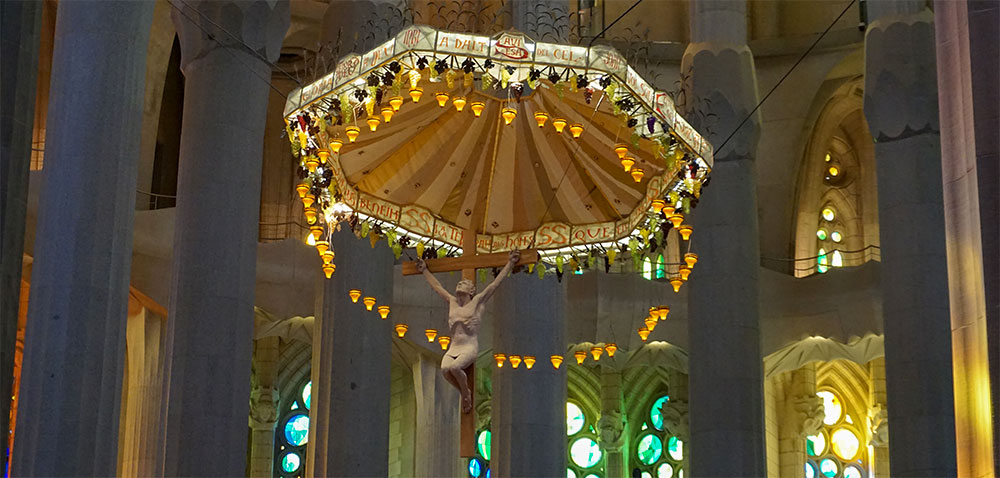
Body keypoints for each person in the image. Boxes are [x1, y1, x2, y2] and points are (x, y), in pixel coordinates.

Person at [415, 250, 520, 413]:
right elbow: (437, 287)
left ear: (471, 290)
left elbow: (494, 285)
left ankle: (465, 393)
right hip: (453, 346)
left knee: (455, 368)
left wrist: (510, 263)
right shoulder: (452, 301)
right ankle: (463, 391)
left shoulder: (478, 301)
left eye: (463, 284)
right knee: (444, 370)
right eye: (458, 283)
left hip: (468, 346)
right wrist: (424, 270)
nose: (459, 284)